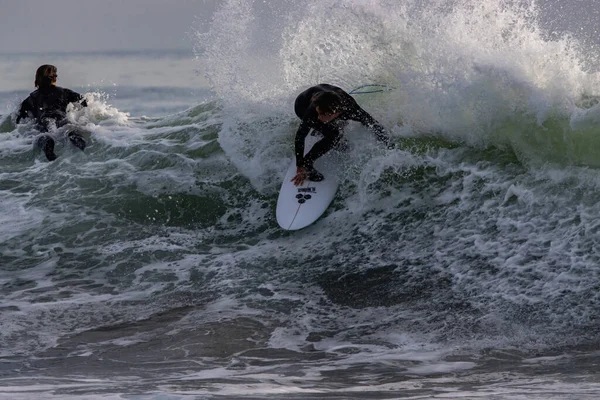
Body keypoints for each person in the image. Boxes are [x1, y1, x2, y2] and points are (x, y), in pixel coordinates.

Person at [292, 83, 393, 186]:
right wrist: (300, 165)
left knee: (344, 125)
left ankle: (323, 129)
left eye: (322, 115)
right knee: (335, 135)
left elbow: (371, 122)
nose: (319, 117)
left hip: (330, 102)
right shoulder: (314, 110)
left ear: (335, 113)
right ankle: (308, 164)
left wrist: (387, 143)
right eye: (319, 113)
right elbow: (300, 136)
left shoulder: (351, 108)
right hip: (302, 105)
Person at [16, 64, 87, 161]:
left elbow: (19, 120)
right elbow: (84, 101)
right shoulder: (64, 92)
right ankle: (81, 147)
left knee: (45, 135)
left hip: (44, 121)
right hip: (61, 118)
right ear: (55, 78)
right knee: (70, 130)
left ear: (37, 79)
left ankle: (49, 150)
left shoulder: (30, 99)